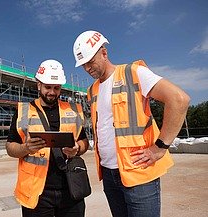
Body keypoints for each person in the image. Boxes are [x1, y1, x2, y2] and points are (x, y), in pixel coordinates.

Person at [72, 30, 190, 217]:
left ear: (104, 53)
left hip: (139, 173)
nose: (87, 68)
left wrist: (159, 148)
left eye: (90, 62)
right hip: (109, 175)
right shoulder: (92, 90)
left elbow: (179, 100)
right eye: (83, 65)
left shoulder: (133, 73)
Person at [6, 59, 90, 217]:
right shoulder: (23, 111)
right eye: (48, 87)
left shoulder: (74, 110)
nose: (52, 92)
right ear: (39, 85)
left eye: (56, 88)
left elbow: (84, 142)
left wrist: (77, 148)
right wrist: (26, 148)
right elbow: (10, 147)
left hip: (71, 189)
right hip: (37, 193)